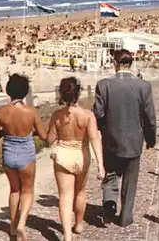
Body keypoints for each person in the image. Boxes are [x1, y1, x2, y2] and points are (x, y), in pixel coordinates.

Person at [92, 49, 156, 227]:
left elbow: (98, 113)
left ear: (115, 63)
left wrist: (100, 131)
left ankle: (109, 206)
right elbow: (149, 116)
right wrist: (150, 139)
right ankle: (126, 217)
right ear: (131, 64)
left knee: (110, 175)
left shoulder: (104, 85)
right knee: (130, 179)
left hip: (111, 141)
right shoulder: (144, 86)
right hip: (134, 142)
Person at [46, 77, 105, 241]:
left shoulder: (57, 115)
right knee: (80, 192)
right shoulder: (88, 115)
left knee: (65, 196)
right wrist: (100, 164)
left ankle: (67, 234)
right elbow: (94, 139)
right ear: (78, 93)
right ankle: (78, 224)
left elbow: (49, 140)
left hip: (63, 153)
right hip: (81, 154)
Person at [0, 74, 47, 240]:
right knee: (27, 191)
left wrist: (4, 131)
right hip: (26, 154)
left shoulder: (0, 112)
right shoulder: (31, 112)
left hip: (9, 153)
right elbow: (43, 135)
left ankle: (13, 228)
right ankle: (22, 223)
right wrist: (31, 132)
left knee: (14, 190)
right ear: (25, 91)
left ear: (8, 91)